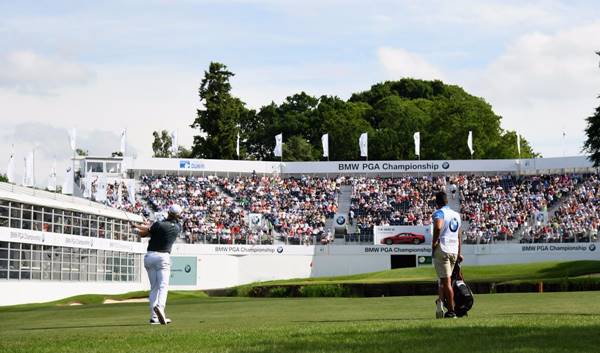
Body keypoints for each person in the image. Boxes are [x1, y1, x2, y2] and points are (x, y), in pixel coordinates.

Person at [132, 204, 183, 325]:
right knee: (163, 286)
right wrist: (140, 228)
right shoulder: (177, 227)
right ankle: (160, 307)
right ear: (178, 215)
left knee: (154, 287)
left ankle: (154, 317)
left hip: (150, 257)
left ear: (168, 212)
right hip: (163, 257)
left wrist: (136, 228)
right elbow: (149, 230)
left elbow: (145, 232)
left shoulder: (158, 225)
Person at [431, 191, 463, 319]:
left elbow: (438, 227)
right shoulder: (456, 215)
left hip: (443, 248)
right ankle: (441, 304)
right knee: (445, 281)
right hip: (454, 250)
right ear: (447, 201)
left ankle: (451, 311)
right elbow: (460, 236)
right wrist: (459, 253)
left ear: (436, 202)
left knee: (446, 282)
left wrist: (434, 243)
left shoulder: (439, 213)